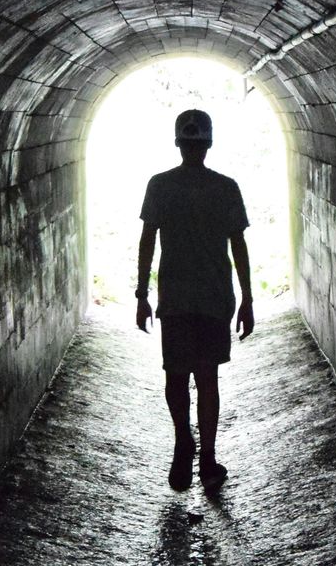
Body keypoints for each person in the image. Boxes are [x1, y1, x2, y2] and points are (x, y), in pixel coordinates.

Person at [135, 108, 255, 492]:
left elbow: (147, 241)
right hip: (214, 297)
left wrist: (142, 293)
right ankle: (207, 459)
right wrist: (247, 297)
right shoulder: (225, 187)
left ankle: (182, 444)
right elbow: (238, 245)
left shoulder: (160, 185)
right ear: (209, 144)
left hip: (175, 296)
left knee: (176, 374)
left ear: (178, 143)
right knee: (207, 379)